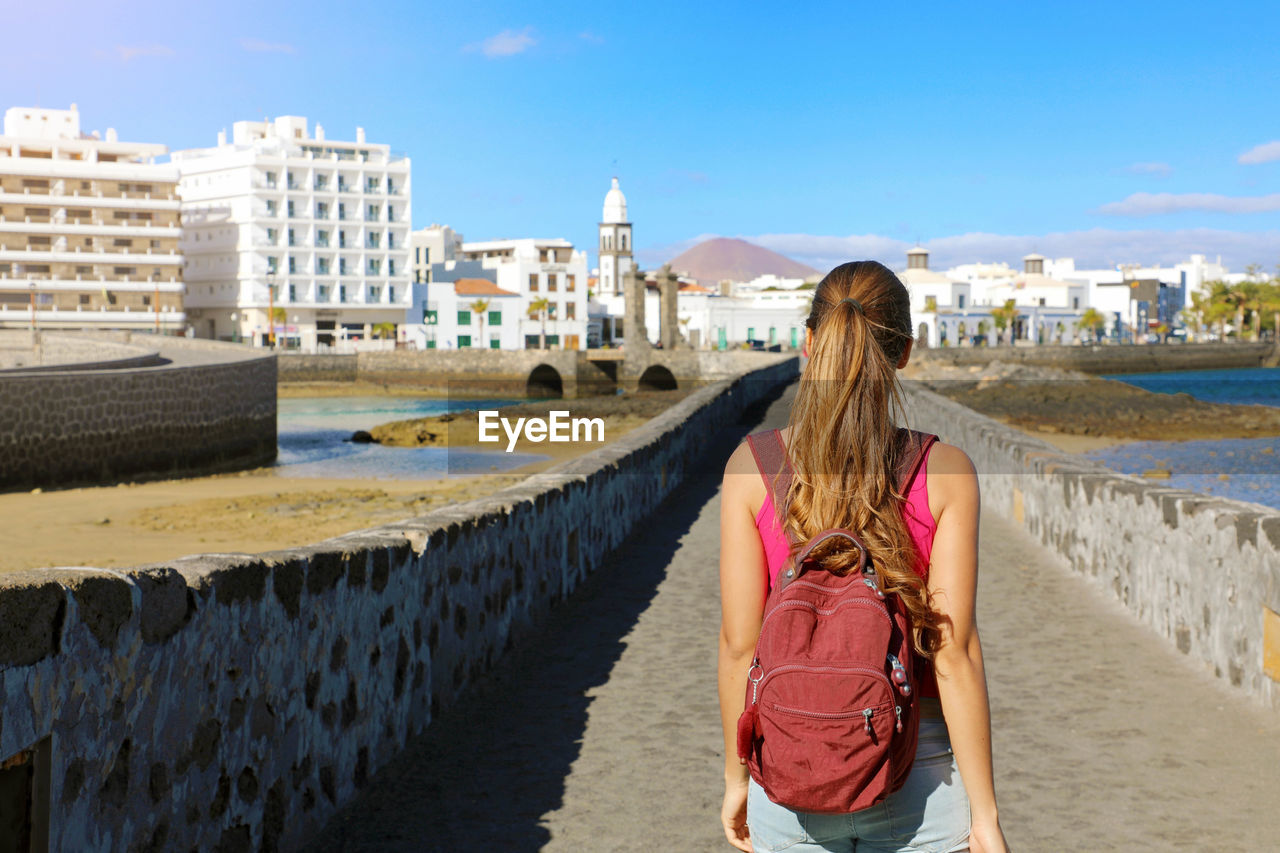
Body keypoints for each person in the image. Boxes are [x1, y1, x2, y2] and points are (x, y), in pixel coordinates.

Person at [717, 261, 1009, 853]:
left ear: (807, 343)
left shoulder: (752, 467)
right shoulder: (944, 471)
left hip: (790, 761)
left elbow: (739, 646)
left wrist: (736, 777)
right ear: (904, 353)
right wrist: (986, 815)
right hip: (918, 766)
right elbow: (954, 652)